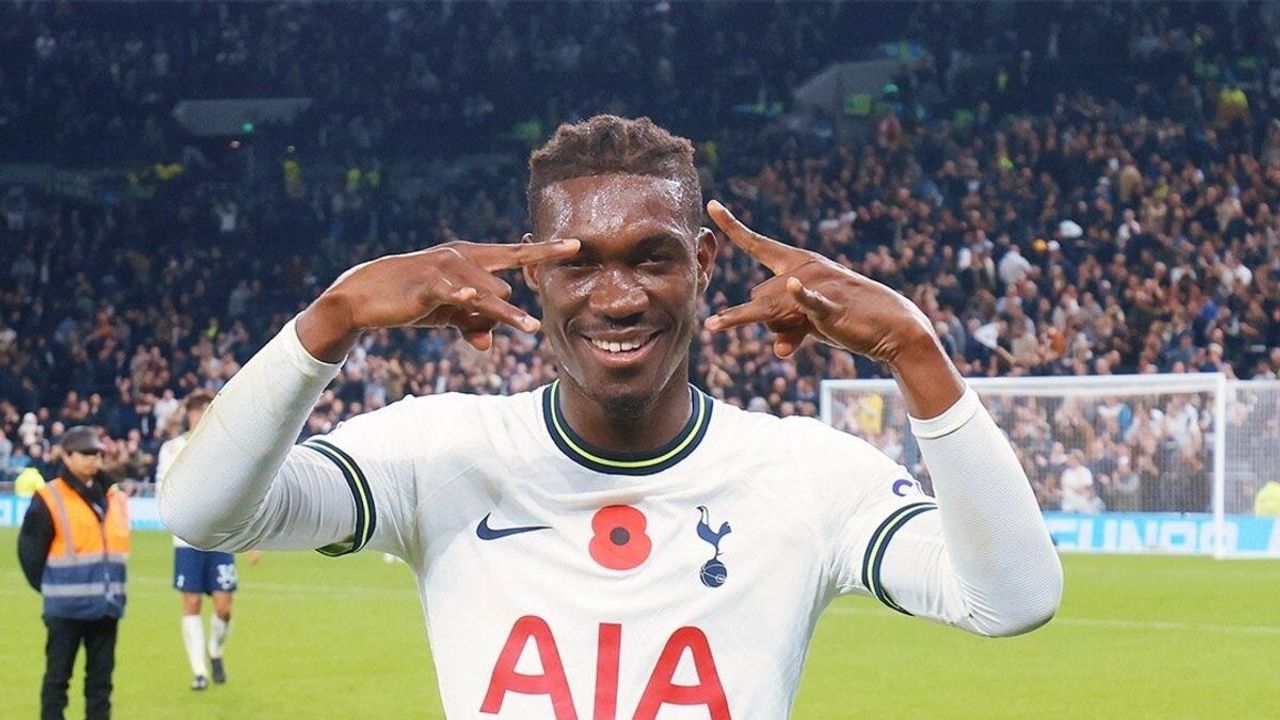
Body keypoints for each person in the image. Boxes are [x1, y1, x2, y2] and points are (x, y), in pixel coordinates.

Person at [160, 115, 1062, 718]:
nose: (618, 297)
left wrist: (915, 351)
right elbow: (204, 513)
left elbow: (1012, 600)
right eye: (579, 263)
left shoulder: (806, 474)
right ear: (534, 272)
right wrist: (333, 318)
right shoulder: (438, 450)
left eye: (651, 258)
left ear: (704, 264)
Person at [18, 426, 129, 720]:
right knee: (57, 681)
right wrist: (54, 587)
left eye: (97, 454)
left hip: (106, 606)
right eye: (86, 453)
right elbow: (30, 554)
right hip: (65, 609)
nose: (94, 459)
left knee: (101, 684)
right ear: (66, 456)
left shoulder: (112, 495)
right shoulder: (49, 497)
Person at [155, 390, 255, 691]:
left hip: (220, 538)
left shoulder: (227, 448)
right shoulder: (172, 449)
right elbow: (164, 488)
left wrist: (249, 537)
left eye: (206, 409)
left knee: (224, 607)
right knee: (192, 601)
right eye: (196, 410)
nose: (200, 415)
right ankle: (199, 672)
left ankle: (216, 651)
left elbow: (241, 492)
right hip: (187, 539)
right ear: (188, 414)